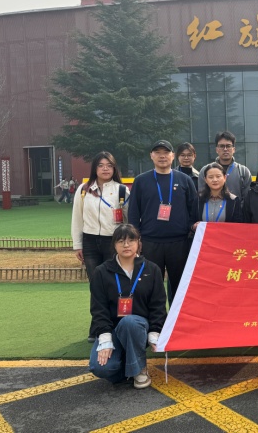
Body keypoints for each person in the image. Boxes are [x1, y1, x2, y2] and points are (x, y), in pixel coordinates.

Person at [89, 224, 167, 389]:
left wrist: (155, 331)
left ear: (139, 243)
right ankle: (129, 363)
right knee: (101, 368)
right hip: (113, 329)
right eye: (121, 241)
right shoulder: (101, 272)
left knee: (130, 322)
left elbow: (158, 305)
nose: (126, 245)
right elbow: (98, 309)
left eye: (131, 240)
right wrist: (105, 338)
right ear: (114, 244)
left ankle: (139, 369)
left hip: (140, 328)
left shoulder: (152, 269)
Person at [128, 140, 198, 305]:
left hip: (179, 242)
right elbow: (133, 212)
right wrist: (136, 239)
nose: (162, 156)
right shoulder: (141, 180)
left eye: (166, 152)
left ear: (172, 156)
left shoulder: (184, 180)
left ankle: (177, 318)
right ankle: (155, 318)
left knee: (180, 286)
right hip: (150, 242)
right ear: (151, 156)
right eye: (158, 152)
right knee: (151, 285)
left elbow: (194, 209)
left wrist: (189, 228)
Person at [72, 151, 129, 342]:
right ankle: (97, 325)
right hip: (90, 243)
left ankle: (115, 324)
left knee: (114, 283)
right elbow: (77, 219)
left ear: (114, 168)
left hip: (113, 242)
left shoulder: (122, 190)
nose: (105, 169)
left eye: (109, 165)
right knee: (96, 285)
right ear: (94, 168)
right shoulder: (84, 190)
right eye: (101, 165)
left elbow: (128, 220)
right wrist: (78, 244)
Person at [198, 131, 252, 206]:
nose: (225, 149)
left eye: (228, 146)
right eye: (222, 146)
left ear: (234, 149)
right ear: (217, 149)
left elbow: (246, 199)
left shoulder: (243, 171)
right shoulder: (205, 170)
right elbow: (201, 196)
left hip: (236, 211)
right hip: (211, 212)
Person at [194, 162, 243, 227]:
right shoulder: (198, 199)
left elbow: (238, 224)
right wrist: (193, 226)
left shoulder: (234, 200)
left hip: (224, 233)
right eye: (210, 177)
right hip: (204, 233)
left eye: (218, 176)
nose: (215, 180)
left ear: (225, 178)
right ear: (205, 180)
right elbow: (191, 221)